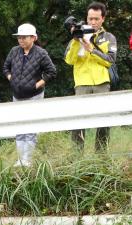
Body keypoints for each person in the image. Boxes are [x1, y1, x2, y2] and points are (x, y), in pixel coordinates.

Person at [65, 2, 117, 151]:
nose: (93, 22)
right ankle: (76, 156)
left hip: (102, 84)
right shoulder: (78, 35)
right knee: (78, 121)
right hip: (81, 84)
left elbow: (110, 61)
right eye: (90, 19)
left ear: (103, 19)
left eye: (96, 19)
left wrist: (92, 50)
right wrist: (76, 42)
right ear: (86, 18)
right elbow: (69, 60)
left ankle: (101, 157)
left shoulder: (109, 37)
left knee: (103, 121)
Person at [4, 23, 56, 167]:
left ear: (33, 38)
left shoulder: (41, 53)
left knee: (31, 126)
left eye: (24, 37)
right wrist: (11, 78)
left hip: (34, 95)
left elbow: (51, 71)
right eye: (19, 37)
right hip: (17, 95)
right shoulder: (14, 51)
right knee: (19, 126)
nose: (21, 40)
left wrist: (37, 84)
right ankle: (20, 159)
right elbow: (6, 67)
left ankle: (29, 159)